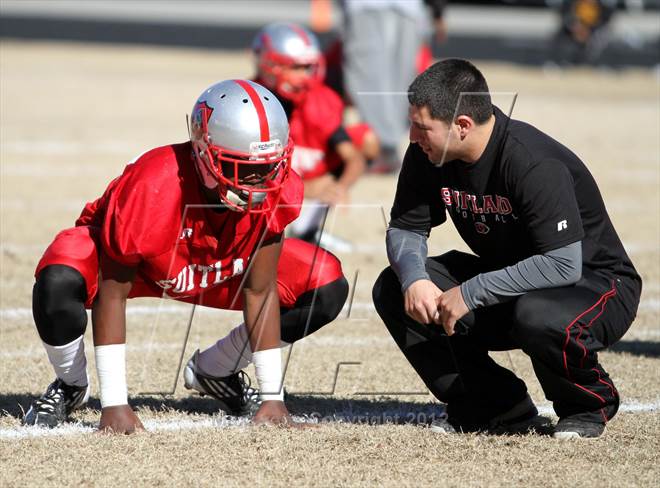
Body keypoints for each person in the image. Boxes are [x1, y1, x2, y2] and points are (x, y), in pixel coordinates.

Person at [24, 79, 349, 433]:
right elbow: (112, 291)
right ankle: (71, 384)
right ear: (203, 154)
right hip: (138, 267)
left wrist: (273, 398)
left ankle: (217, 370)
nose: (259, 182)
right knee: (60, 273)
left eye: (268, 165)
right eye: (241, 166)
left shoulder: (275, 186)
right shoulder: (153, 183)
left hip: (219, 264)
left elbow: (261, 290)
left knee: (325, 280)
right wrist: (115, 404)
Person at [372, 59, 641, 439]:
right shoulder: (428, 154)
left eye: (422, 127)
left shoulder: (531, 161)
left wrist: (471, 292)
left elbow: (563, 264)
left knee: (537, 315)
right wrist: (414, 279)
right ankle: (496, 404)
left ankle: (586, 405)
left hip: (594, 284)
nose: (412, 137)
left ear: (462, 125)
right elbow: (406, 226)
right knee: (393, 286)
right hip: (516, 282)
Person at [252, 22, 377, 251]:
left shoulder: (319, 100)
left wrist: (339, 187)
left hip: (307, 177)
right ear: (270, 65)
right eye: (296, 67)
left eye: (308, 67)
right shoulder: (251, 102)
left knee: (367, 139)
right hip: (267, 188)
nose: (305, 76)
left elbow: (354, 157)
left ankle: (308, 227)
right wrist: (304, 188)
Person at [339, 0, 448, 173]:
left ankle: (384, 147)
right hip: (407, 9)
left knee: (369, 79)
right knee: (398, 78)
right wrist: (438, 12)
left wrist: (437, 12)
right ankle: (387, 146)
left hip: (367, 7)